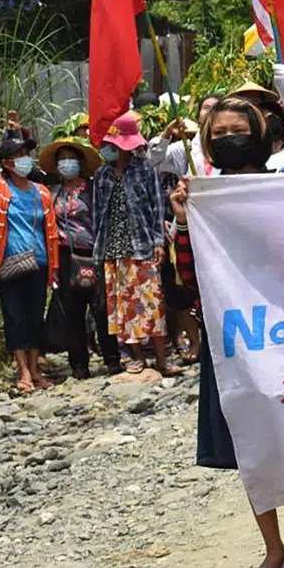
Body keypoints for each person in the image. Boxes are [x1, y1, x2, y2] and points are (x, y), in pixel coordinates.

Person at [168, 95, 284, 568]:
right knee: (249, 444)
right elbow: (190, 279)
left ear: (261, 135)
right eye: (220, 134)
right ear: (207, 143)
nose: (230, 140)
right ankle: (272, 548)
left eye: (239, 132)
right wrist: (184, 223)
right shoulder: (201, 199)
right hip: (230, 340)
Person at [0, 116, 59, 393]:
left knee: (36, 317)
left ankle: (35, 370)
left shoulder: (42, 192)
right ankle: (22, 371)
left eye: (26, 154)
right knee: (14, 317)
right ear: (7, 163)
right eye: (18, 155)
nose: (24, 159)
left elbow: (52, 233)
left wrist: (53, 267)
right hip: (8, 264)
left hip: (39, 262)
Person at [92, 112, 178, 374]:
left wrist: (158, 242)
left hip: (142, 245)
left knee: (151, 303)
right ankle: (137, 356)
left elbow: (157, 207)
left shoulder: (145, 170)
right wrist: (99, 250)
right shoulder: (102, 174)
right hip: (113, 248)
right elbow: (98, 214)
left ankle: (162, 358)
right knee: (123, 306)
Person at [40, 136, 123, 378]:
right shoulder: (52, 191)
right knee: (71, 310)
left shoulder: (92, 188)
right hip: (65, 255)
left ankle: (112, 358)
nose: (67, 164)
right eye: (62, 159)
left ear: (80, 162)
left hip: (93, 253)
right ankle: (79, 364)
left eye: (71, 159)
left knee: (100, 307)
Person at [231, 81, 284, 172]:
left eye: (253, 99)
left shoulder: (271, 120)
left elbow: (275, 146)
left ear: (261, 99)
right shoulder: (234, 123)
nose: (249, 102)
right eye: (245, 98)